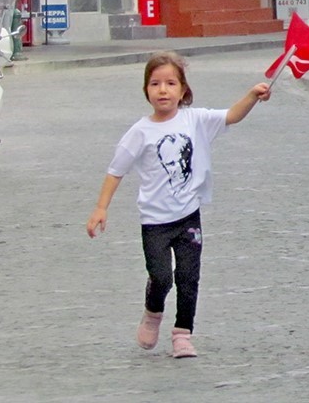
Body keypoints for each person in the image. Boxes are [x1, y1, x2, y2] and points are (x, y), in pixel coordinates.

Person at [86, 51, 270, 358]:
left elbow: (231, 116)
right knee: (161, 277)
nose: (163, 90)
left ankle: (183, 333)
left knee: (188, 277)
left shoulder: (195, 120)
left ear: (183, 90)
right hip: (154, 221)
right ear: (146, 90)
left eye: (171, 83)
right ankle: (152, 312)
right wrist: (101, 208)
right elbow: (116, 170)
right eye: (155, 83)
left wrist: (252, 95)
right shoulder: (140, 131)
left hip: (188, 217)